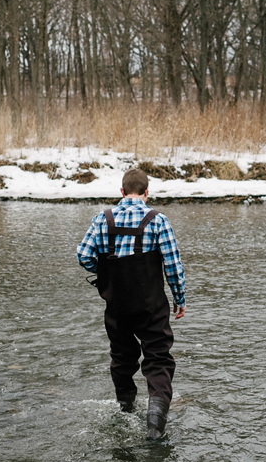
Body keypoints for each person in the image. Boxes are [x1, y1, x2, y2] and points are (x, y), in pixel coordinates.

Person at [77, 167, 187, 440]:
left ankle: (125, 411)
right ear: (147, 193)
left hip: (117, 307)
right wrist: (179, 297)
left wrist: (104, 272)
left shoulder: (102, 219)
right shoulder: (158, 220)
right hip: (151, 307)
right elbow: (173, 265)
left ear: (122, 192)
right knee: (158, 358)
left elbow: (83, 256)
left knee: (122, 358)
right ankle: (154, 426)